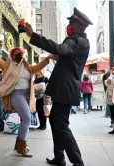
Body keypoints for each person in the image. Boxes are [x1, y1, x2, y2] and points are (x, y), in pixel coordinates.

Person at [20, 7, 93, 165]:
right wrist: (58, 57)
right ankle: (59, 157)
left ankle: (77, 162)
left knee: (61, 125)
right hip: (63, 89)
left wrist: (33, 35)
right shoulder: (80, 42)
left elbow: (61, 48)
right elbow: (66, 56)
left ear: (79, 25)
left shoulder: (76, 40)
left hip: (64, 90)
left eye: (72, 22)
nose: (70, 25)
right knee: (55, 122)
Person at [0, 43, 51, 157]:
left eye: (21, 53)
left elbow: (37, 67)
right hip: (16, 95)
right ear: (12, 56)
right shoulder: (8, 66)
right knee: (27, 119)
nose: (19, 55)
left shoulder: (27, 67)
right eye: (17, 54)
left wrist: (48, 59)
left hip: (27, 95)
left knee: (24, 120)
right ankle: (22, 147)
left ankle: (18, 143)